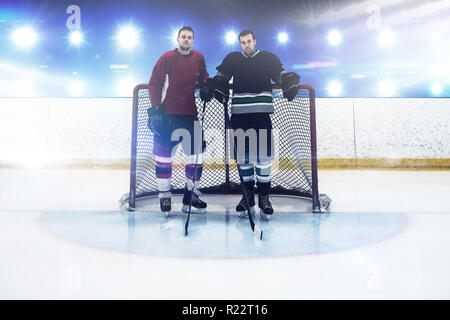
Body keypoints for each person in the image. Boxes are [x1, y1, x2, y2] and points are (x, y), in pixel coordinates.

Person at [210, 29, 300, 220]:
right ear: (239, 43)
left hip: (261, 115)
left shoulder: (267, 58)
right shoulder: (233, 59)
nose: (246, 45)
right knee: (243, 158)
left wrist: (288, 80)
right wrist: (217, 83)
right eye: (243, 42)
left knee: (263, 157)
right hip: (240, 116)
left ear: (255, 41)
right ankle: (248, 196)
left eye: (249, 41)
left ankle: (264, 198)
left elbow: (279, 75)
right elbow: (221, 75)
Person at [148, 26, 213, 214]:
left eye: (189, 37)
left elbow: (203, 77)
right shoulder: (166, 58)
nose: (186, 40)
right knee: (163, 156)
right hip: (167, 115)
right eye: (183, 37)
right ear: (177, 39)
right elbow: (155, 83)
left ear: (193, 41)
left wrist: (207, 87)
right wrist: (155, 110)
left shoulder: (198, 58)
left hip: (189, 114)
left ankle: (190, 195)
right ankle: (164, 196)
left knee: (197, 156)